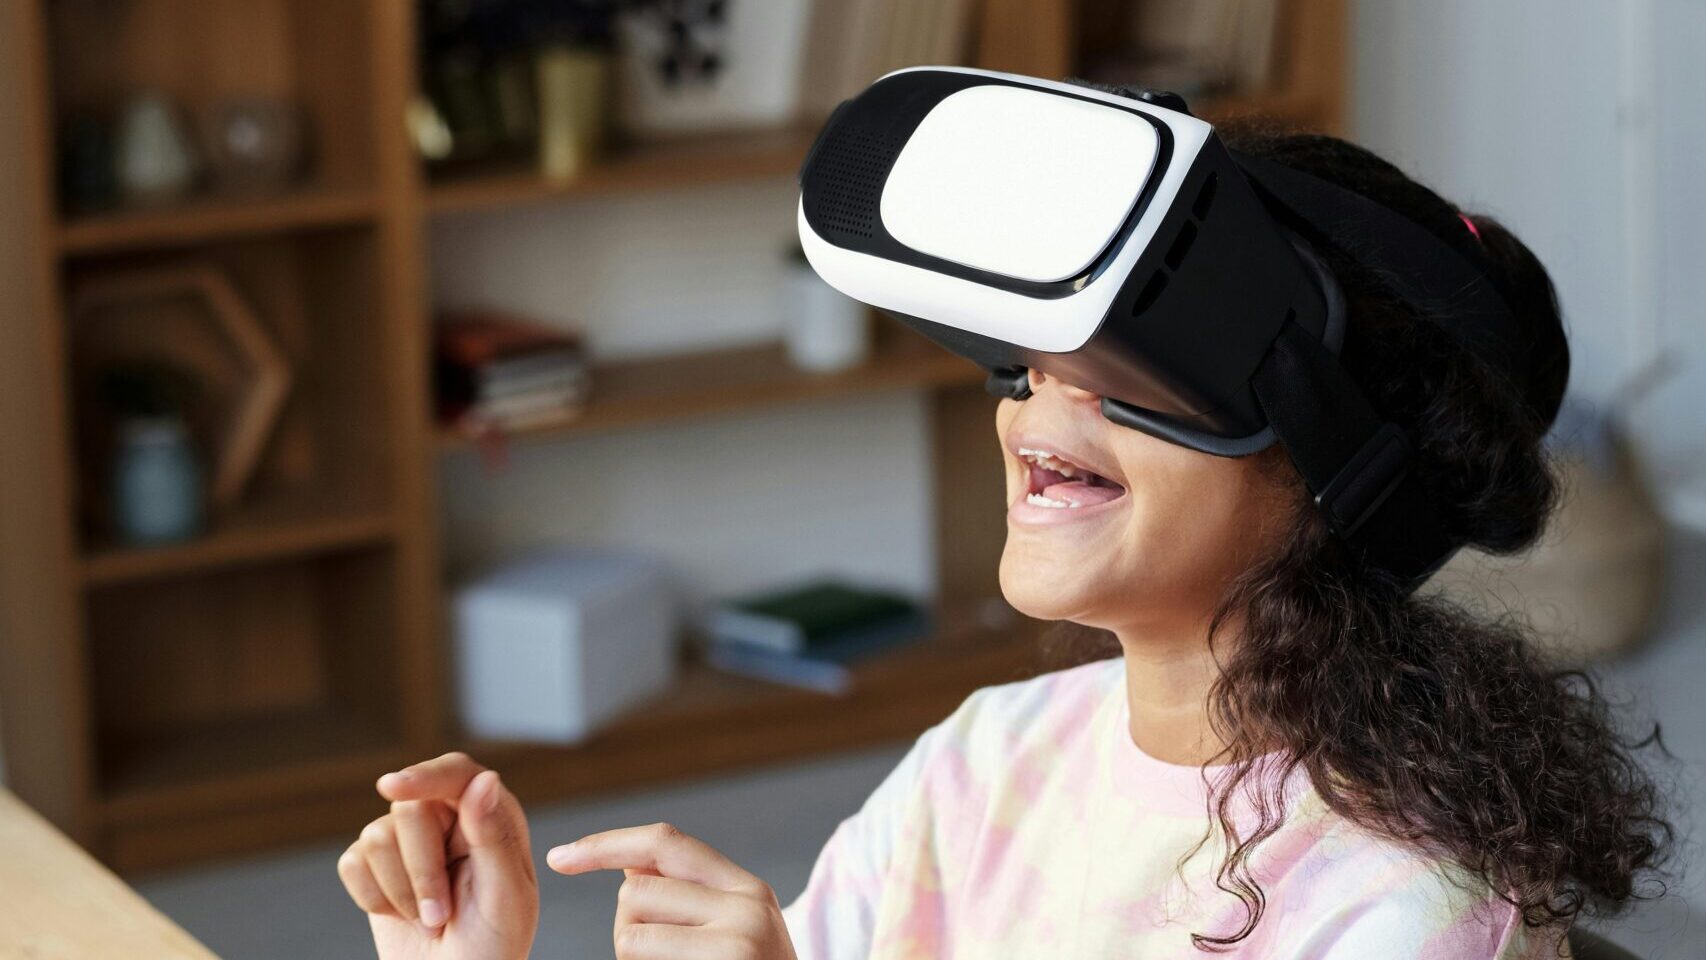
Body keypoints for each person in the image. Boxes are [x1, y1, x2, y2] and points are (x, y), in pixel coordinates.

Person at [336, 122, 1671, 959]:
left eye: (1141, 361)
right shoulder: (987, 760)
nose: (1036, 404)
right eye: (1032, 357)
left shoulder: (1412, 915)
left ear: (1347, 466)